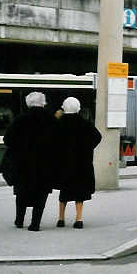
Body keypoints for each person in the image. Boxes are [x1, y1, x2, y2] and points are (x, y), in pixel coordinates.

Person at [3, 92, 58, 231]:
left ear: (28, 103)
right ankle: (35, 224)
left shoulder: (20, 119)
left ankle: (19, 220)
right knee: (41, 193)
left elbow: (7, 139)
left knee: (22, 192)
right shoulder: (51, 120)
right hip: (45, 165)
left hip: (22, 164)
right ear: (43, 103)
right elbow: (60, 142)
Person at [55, 97, 102, 229]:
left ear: (64, 107)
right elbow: (97, 137)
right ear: (78, 108)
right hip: (82, 163)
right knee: (79, 192)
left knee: (64, 191)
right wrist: (87, 148)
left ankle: (61, 218)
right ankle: (79, 219)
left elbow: (52, 140)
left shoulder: (59, 124)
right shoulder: (84, 123)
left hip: (64, 163)